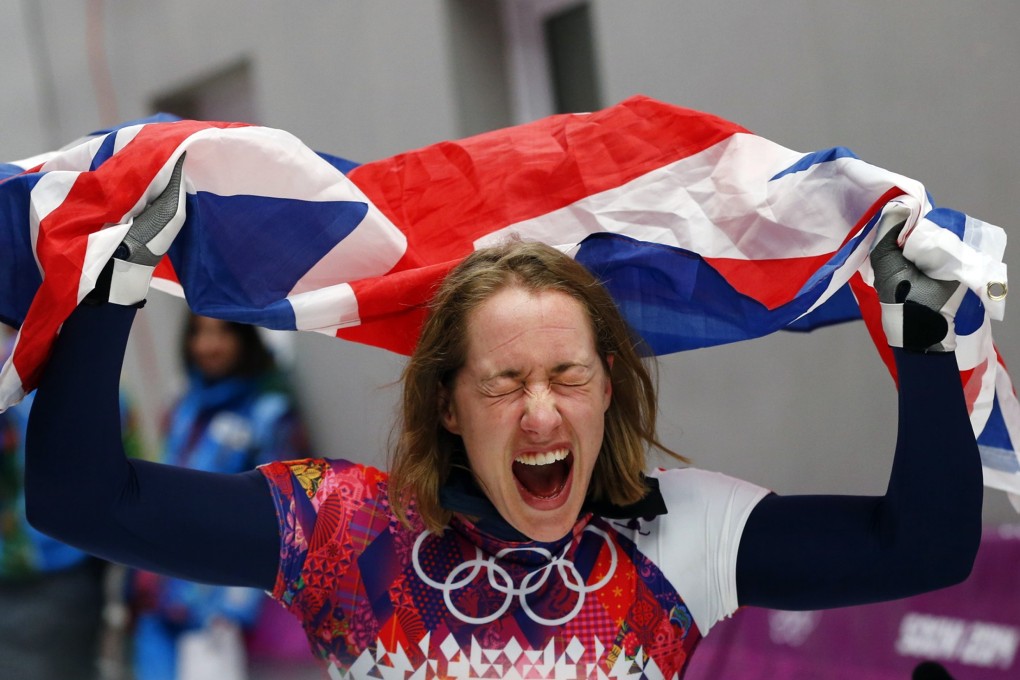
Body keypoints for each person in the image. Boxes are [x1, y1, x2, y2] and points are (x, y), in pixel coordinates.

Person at [23, 168, 982, 679]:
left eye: (566, 374)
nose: (538, 412)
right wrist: (111, 290)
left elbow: (927, 547)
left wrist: (925, 341)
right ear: (445, 402)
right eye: (502, 381)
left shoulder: (684, 534)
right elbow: (79, 499)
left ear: (608, 385)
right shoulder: (347, 530)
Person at [129, 313, 310, 680]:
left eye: (222, 332)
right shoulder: (184, 407)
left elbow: (284, 523)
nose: (208, 346)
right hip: (159, 599)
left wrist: (232, 609)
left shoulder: (270, 414)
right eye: (199, 333)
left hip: (218, 612)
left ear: (245, 338)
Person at [1, 326, 144, 680]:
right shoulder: (93, 382)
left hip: (65, 568)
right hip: (49, 565)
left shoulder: (91, 385)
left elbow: (130, 473)